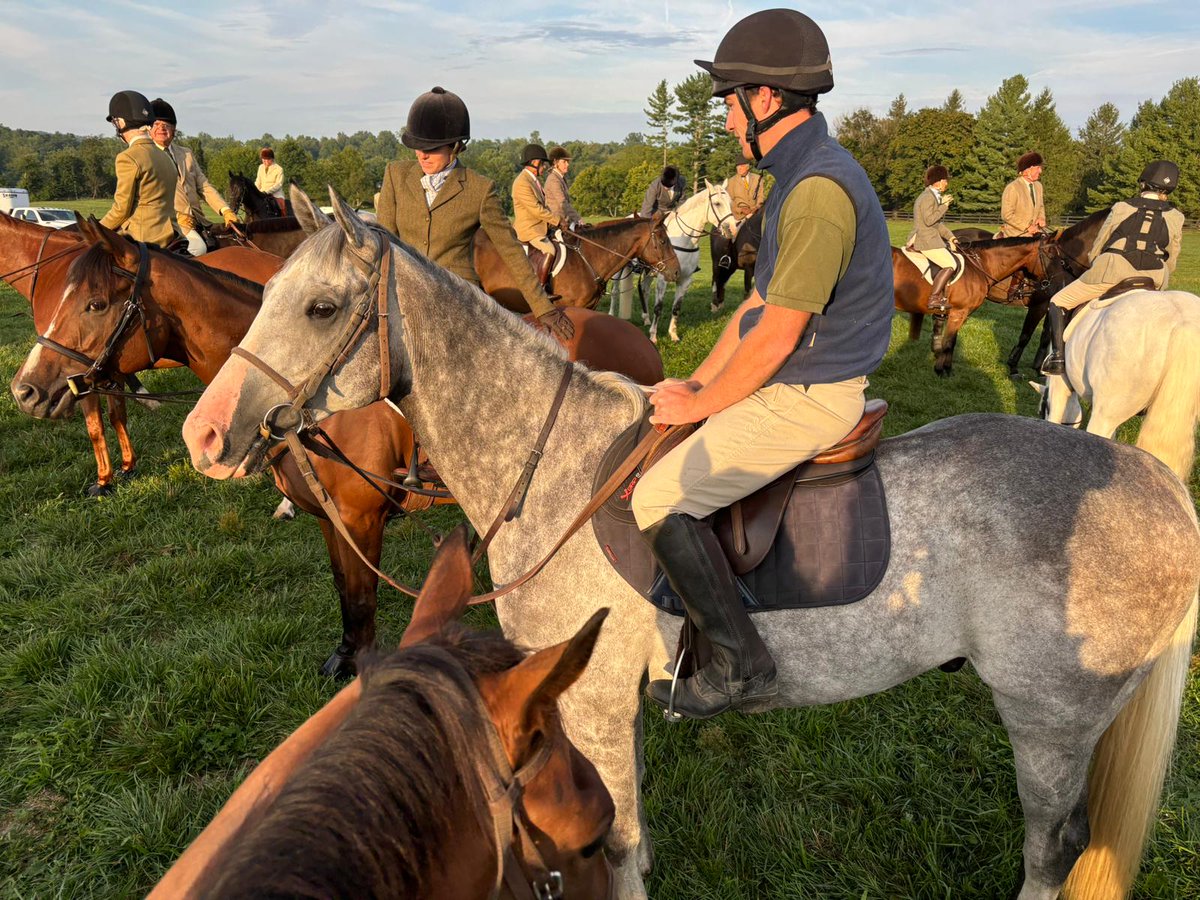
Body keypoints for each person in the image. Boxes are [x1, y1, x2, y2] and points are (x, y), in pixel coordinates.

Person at [634, 9, 894, 719]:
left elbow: (779, 335)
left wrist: (701, 405)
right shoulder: (798, 174)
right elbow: (753, 307)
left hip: (812, 392)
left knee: (656, 500)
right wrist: (698, 380)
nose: (723, 118)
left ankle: (740, 664)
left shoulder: (816, 191)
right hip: (791, 376)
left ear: (767, 99)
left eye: (728, 101)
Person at [376, 87, 572, 340]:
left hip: (456, 298)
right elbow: (384, 243)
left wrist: (543, 307)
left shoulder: (480, 189)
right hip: (401, 296)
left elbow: (511, 251)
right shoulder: (395, 174)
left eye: (432, 148)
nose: (421, 155)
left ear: (456, 146)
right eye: (417, 146)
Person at [1040, 160, 1184, 376]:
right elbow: (1172, 256)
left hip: (1111, 273)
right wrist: (1161, 277)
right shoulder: (1176, 216)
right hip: (1153, 278)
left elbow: (1101, 242)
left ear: (1143, 183)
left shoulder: (1122, 207)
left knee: (1058, 301)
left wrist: (1095, 262)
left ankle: (1058, 358)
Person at [149, 98, 240, 257]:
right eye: (156, 124)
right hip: (168, 225)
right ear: (149, 129)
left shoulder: (186, 154)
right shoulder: (147, 155)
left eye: (166, 125)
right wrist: (178, 217)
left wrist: (225, 210)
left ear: (174, 129)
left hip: (199, 221)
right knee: (198, 249)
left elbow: (204, 186)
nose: (161, 128)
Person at [99, 90, 179, 248]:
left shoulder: (128, 157)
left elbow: (121, 210)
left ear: (120, 122)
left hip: (143, 237)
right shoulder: (165, 156)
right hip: (173, 234)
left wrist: (95, 231)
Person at [909, 165, 958, 315]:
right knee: (951, 264)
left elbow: (938, 224)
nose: (946, 184)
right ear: (938, 181)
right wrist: (943, 206)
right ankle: (934, 298)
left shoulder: (932, 196)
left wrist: (951, 237)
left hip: (931, 237)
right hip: (926, 240)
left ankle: (943, 296)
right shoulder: (927, 197)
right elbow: (930, 221)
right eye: (945, 181)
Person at [512, 143, 562, 285]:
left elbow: (544, 206)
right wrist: (557, 220)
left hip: (541, 227)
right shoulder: (522, 182)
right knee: (550, 250)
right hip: (529, 229)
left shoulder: (533, 180)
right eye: (542, 163)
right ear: (535, 162)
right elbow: (536, 209)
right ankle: (540, 288)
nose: (545, 167)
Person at [997, 152, 1046, 237]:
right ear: (1028, 170)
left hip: (1035, 232)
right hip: (1016, 235)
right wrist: (1027, 226)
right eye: (1038, 168)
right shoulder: (1012, 188)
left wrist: (1041, 218)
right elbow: (1007, 215)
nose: (1040, 171)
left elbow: (1041, 206)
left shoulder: (1039, 186)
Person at [544, 146, 584, 230]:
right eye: (564, 161)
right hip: (556, 225)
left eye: (568, 161)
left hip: (565, 223)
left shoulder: (560, 178)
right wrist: (578, 218)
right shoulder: (553, 180)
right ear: (555, 162)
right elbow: (563, 203)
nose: (567, 164)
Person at [255, 147, 286, 214]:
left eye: (267, 159)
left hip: (275, 194)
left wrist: (267, 192)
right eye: (263, 159)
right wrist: (256, 191)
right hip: (261, 193)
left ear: (272, 159)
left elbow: (279, 184)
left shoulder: (279, 169)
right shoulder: (260, 167)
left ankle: (283, 218)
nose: (265, 161)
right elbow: (258, 181)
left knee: (282, 205)